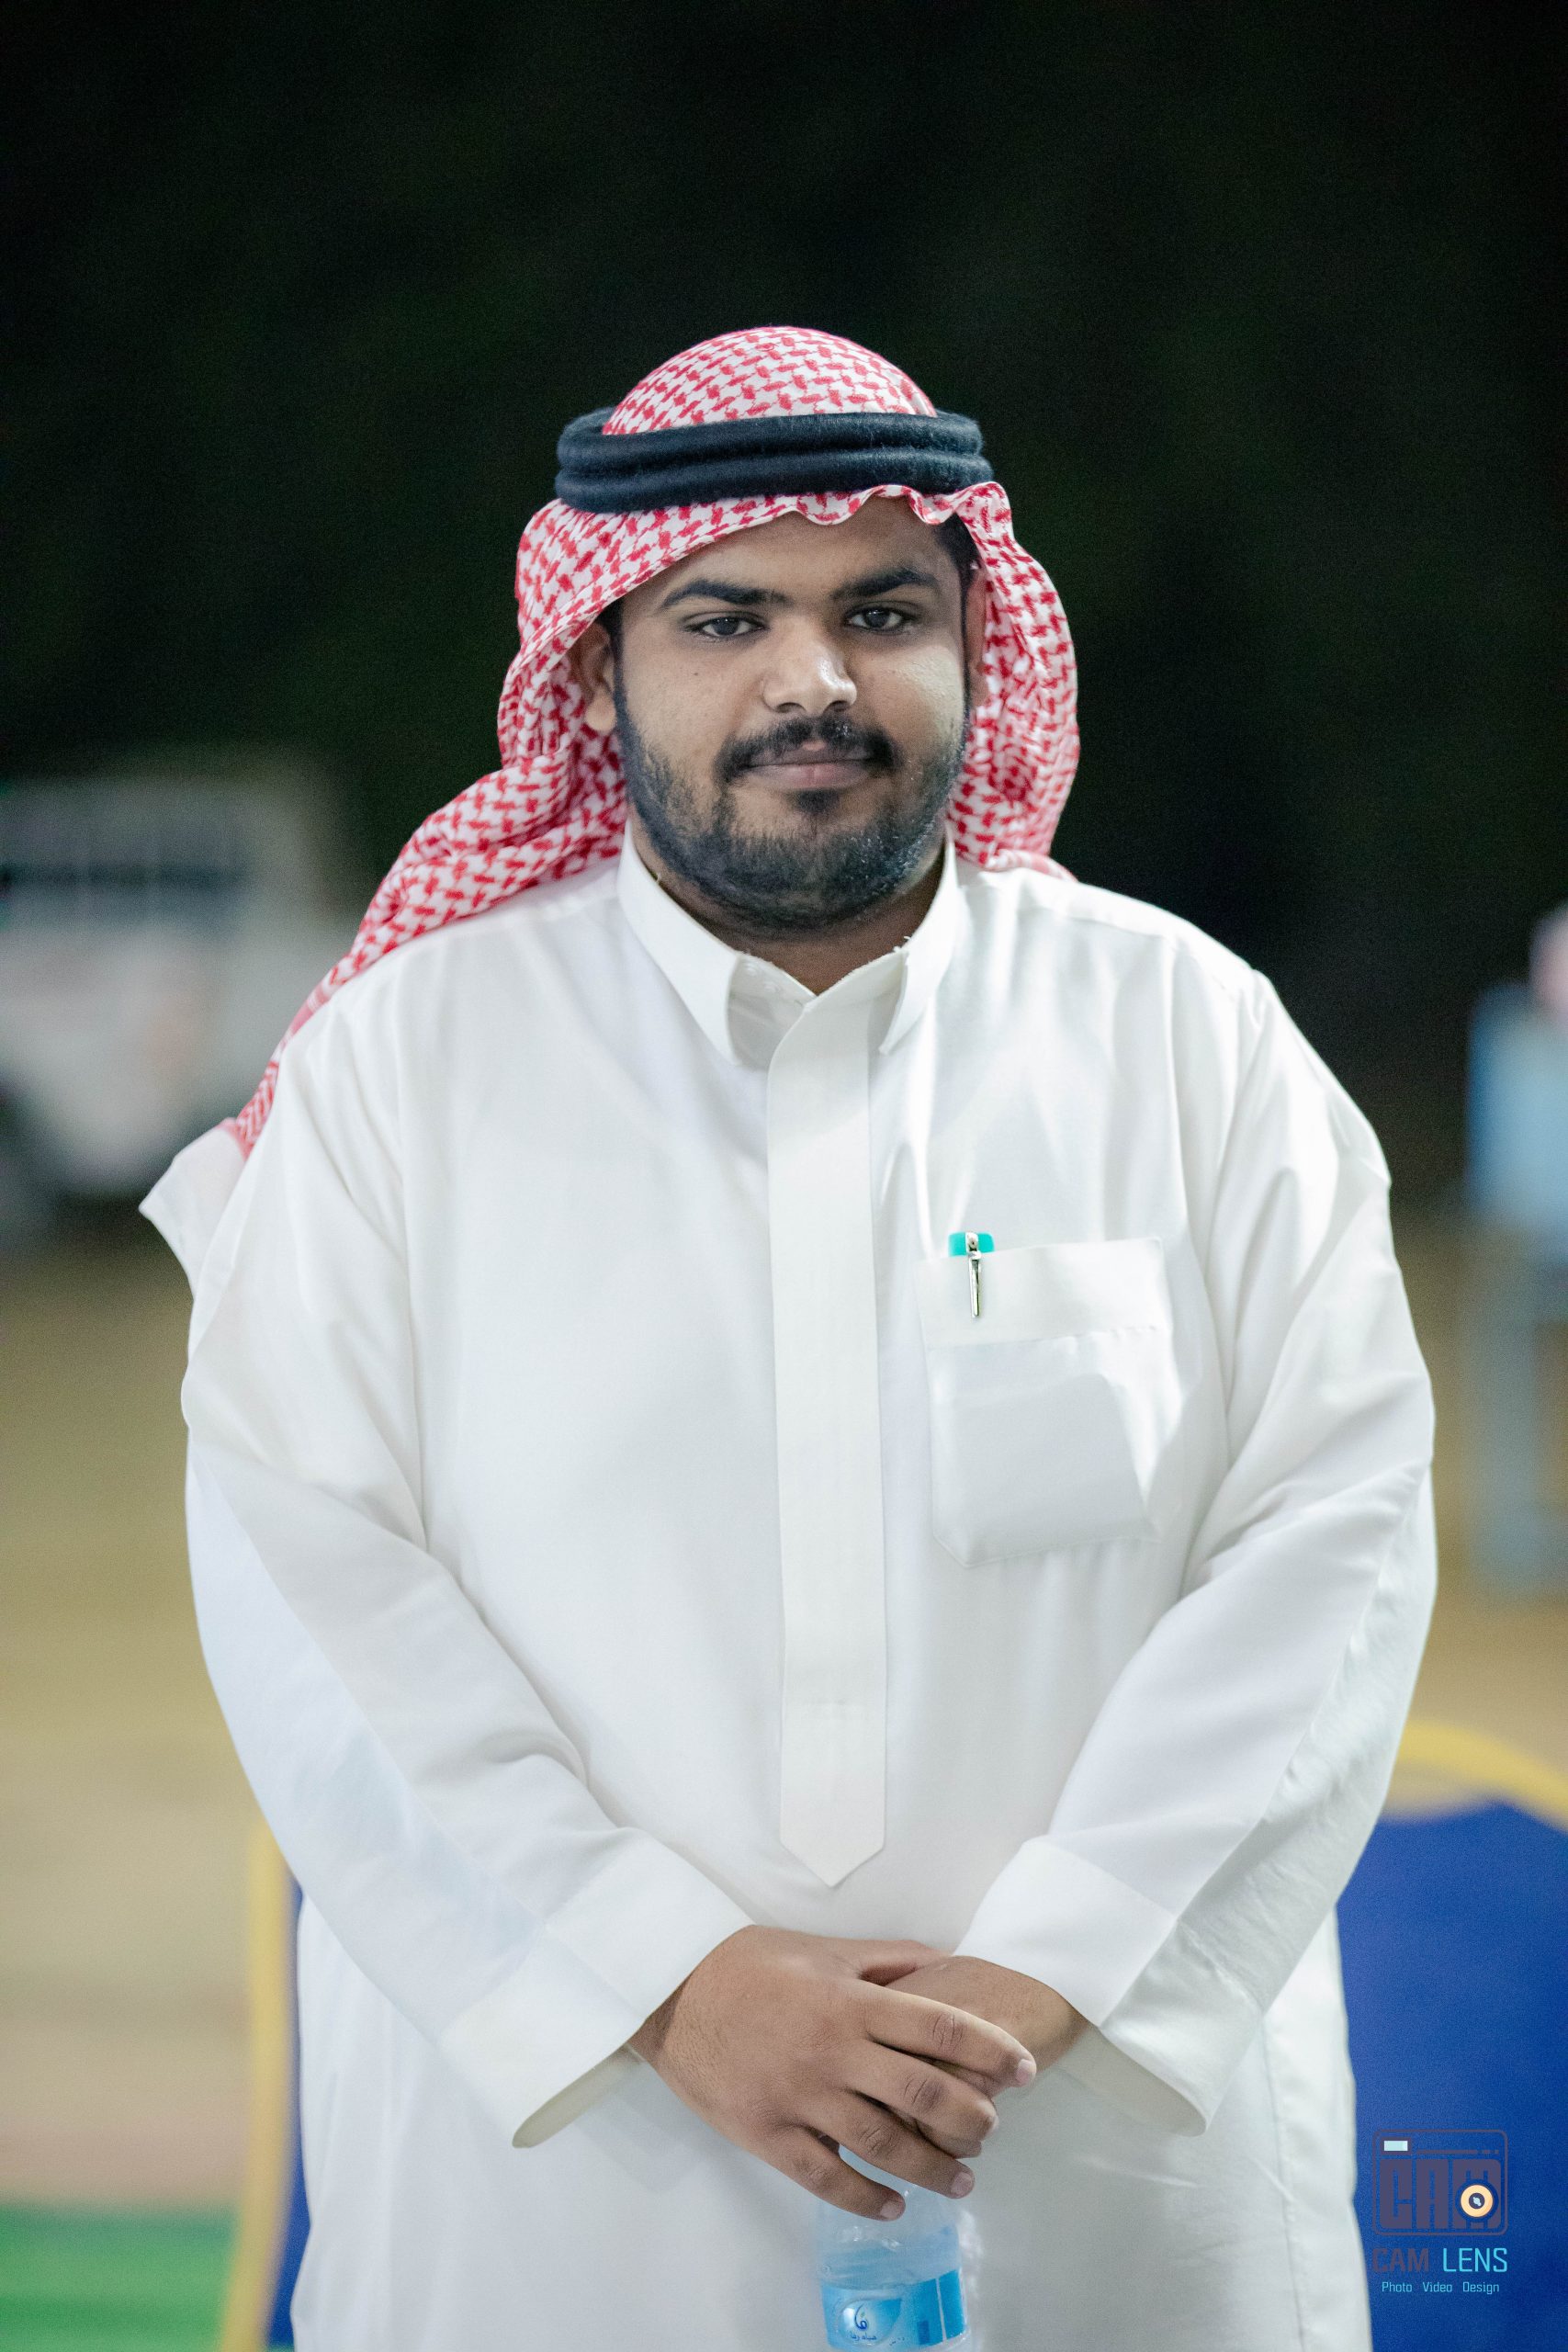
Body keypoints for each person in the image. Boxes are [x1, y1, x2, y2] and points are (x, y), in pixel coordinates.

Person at [142, 325, 1437, 2351]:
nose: (810, 680)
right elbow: (310, 1588)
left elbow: (1333, 1543)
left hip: (1099, 2164)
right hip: (568, 2186)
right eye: (724, 618)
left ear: (975, 646)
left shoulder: (1187, 1040)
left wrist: (1048, 1974)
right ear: (594, 668)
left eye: (882, 614)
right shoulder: (406, 1072)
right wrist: (669, 1980)